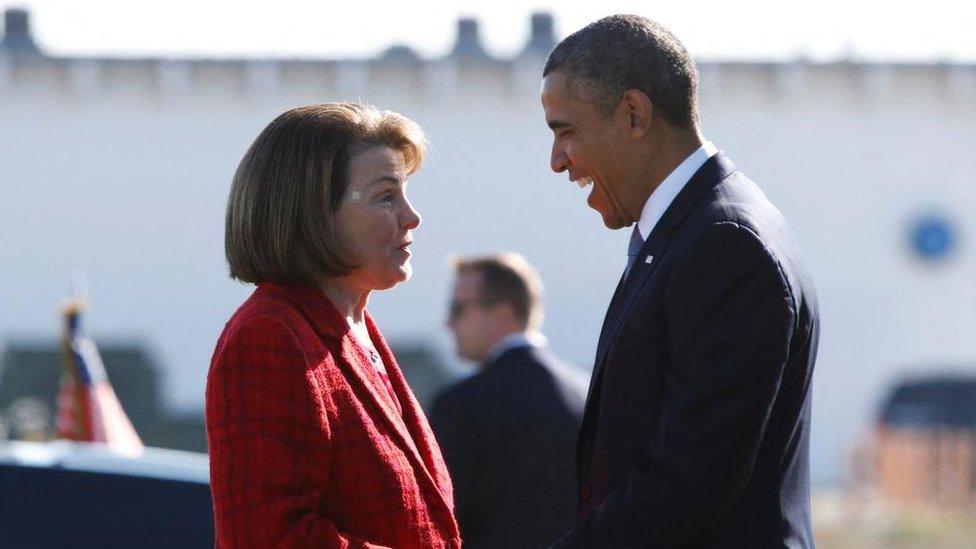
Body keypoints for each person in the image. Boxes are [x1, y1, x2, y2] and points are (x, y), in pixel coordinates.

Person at [541, 15, 819, 547]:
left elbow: (690, 482)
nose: (557, 161)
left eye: (566, 131)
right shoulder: (692, 230)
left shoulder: (725, 243)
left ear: (634, 114)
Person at [206, 103, 460, 548]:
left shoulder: (354, 330)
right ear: (313, 213)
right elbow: (266, 539)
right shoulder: (269, 336)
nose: (411, 216)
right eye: (386, 196)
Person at [430, 253, 586, 548]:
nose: (449, 323)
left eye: (458, 308)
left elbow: (440, 518)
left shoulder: (462, 405)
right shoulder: (586, 394)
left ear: (502, 313)